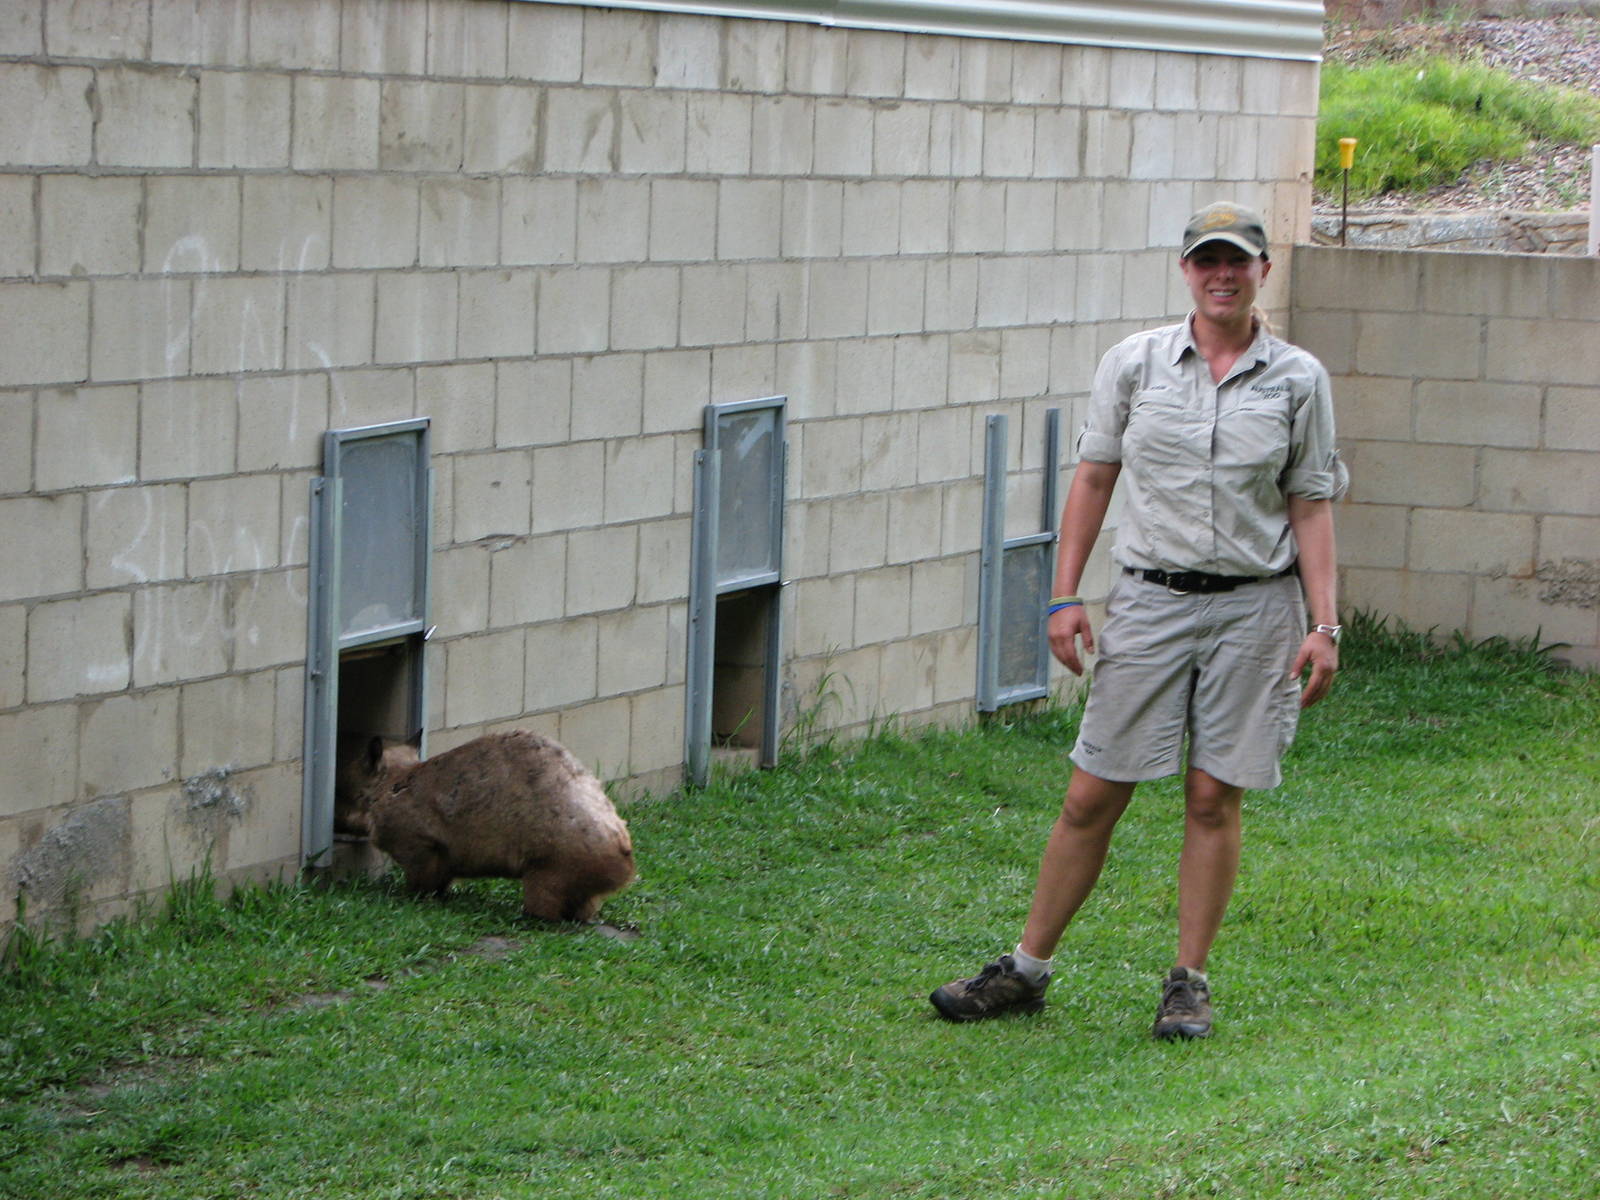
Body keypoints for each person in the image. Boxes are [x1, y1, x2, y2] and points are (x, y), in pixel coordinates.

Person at [930, 201, 1346, 1039]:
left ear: (1264, 270)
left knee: (1210, 795)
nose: (1222, 275)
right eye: (1206, 261)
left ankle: (1188, 983)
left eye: (1238, 261)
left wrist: (1324, 624)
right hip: (1151, 600)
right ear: (1186, 270)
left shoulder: (1298, 379)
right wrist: (1063, 593)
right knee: (1092, 793)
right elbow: (1093, 479)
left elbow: (1310, 503)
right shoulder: (1136, 364)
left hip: (1256, 607)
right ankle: (1025, 969)